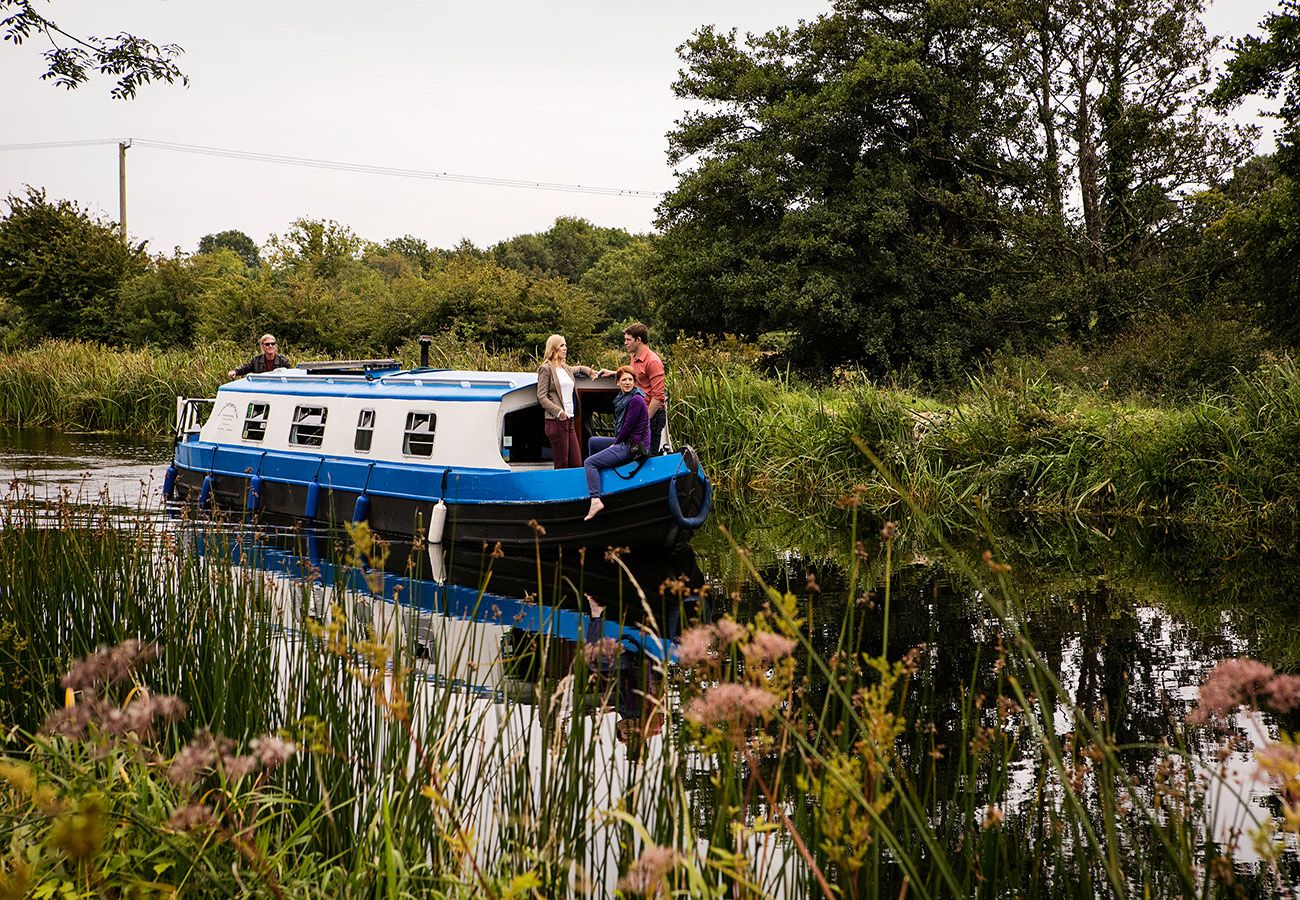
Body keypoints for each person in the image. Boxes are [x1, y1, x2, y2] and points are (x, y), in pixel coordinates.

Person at [584, 366, 649, 520]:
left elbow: (627, 427)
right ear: (618, 382)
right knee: (593, 442)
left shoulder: (636, 400)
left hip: (633, 446)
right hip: (627, 441)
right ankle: (596, 480)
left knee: (589, 463)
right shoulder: (622, 398)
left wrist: (616, 444)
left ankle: (595, 499)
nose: (627, 382)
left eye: (630, 380)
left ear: (634, 382)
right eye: (624, 380)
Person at [599, 322, 665, 454]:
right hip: (639, 413)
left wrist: (644, 420)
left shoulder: (653, 361)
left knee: (647, 456)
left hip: (651, 416)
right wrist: (613, 373)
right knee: (634, 454)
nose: (625, 343)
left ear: (638, 340)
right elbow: (635, 377)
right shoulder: (634, 357)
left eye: (628, 339)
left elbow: (658, 397)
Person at [536, 334, 595, 469]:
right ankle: (560, 489)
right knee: (562, 464)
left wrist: (589, 371)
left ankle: (575, 490)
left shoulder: (565, 368)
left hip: (570, 421)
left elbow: (579, 368)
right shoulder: (546, 369)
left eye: (566, 345)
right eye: (562, 345)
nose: (565, 348)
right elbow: (541, 396)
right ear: (554, 348)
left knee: (576, 462)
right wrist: (559, 412)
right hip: (556, 421)